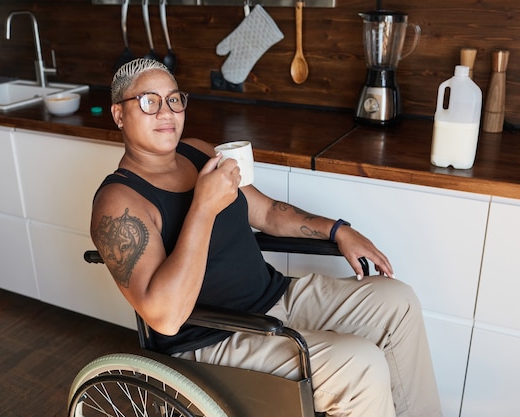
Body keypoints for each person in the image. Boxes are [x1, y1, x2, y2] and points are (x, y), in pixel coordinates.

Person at [91, 58, 442, 417]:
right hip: (211, 340)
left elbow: (267, 212)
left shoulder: (199, 151)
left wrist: (338, 230)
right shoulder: (118, 202)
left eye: (174, 99)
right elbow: (165, 318)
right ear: (119, 114)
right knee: (361, 364)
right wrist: (203, 207)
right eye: (149, 101)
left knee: (397, 302)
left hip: (273, 298)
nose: (166, 112)